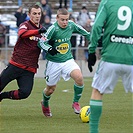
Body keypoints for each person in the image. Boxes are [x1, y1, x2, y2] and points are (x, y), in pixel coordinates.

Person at [87, 0, 133, 132]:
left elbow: (96, 27)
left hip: (110, 57)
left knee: (97, 91)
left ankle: (94, 130)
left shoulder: (107, 2)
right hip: (130, 58)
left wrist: (91, 52)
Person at [38, 8, 90, 117]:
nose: (65, 22)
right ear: (57, 18)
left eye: (67, 19)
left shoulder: (71, 25)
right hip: (54, 63)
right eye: (62, 20)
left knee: (79, 78)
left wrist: (93, 38)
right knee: (50, 89)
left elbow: (84, 32)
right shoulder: (53, 29)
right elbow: (41, 43)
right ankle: (45, 103)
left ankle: (75, 102)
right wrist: (49, 49)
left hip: (68, 60)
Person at [0, 4, 47, 102]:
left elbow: (46, 44)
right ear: (29, 15)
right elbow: (21, 34)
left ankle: (2, 96)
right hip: (16, 65)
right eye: (34, 13)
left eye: (39, 13)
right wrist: (37, 31)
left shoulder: (43, 30)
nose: (37, 16)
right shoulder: (25, 25)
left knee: (25, 93)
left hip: (29, 69)